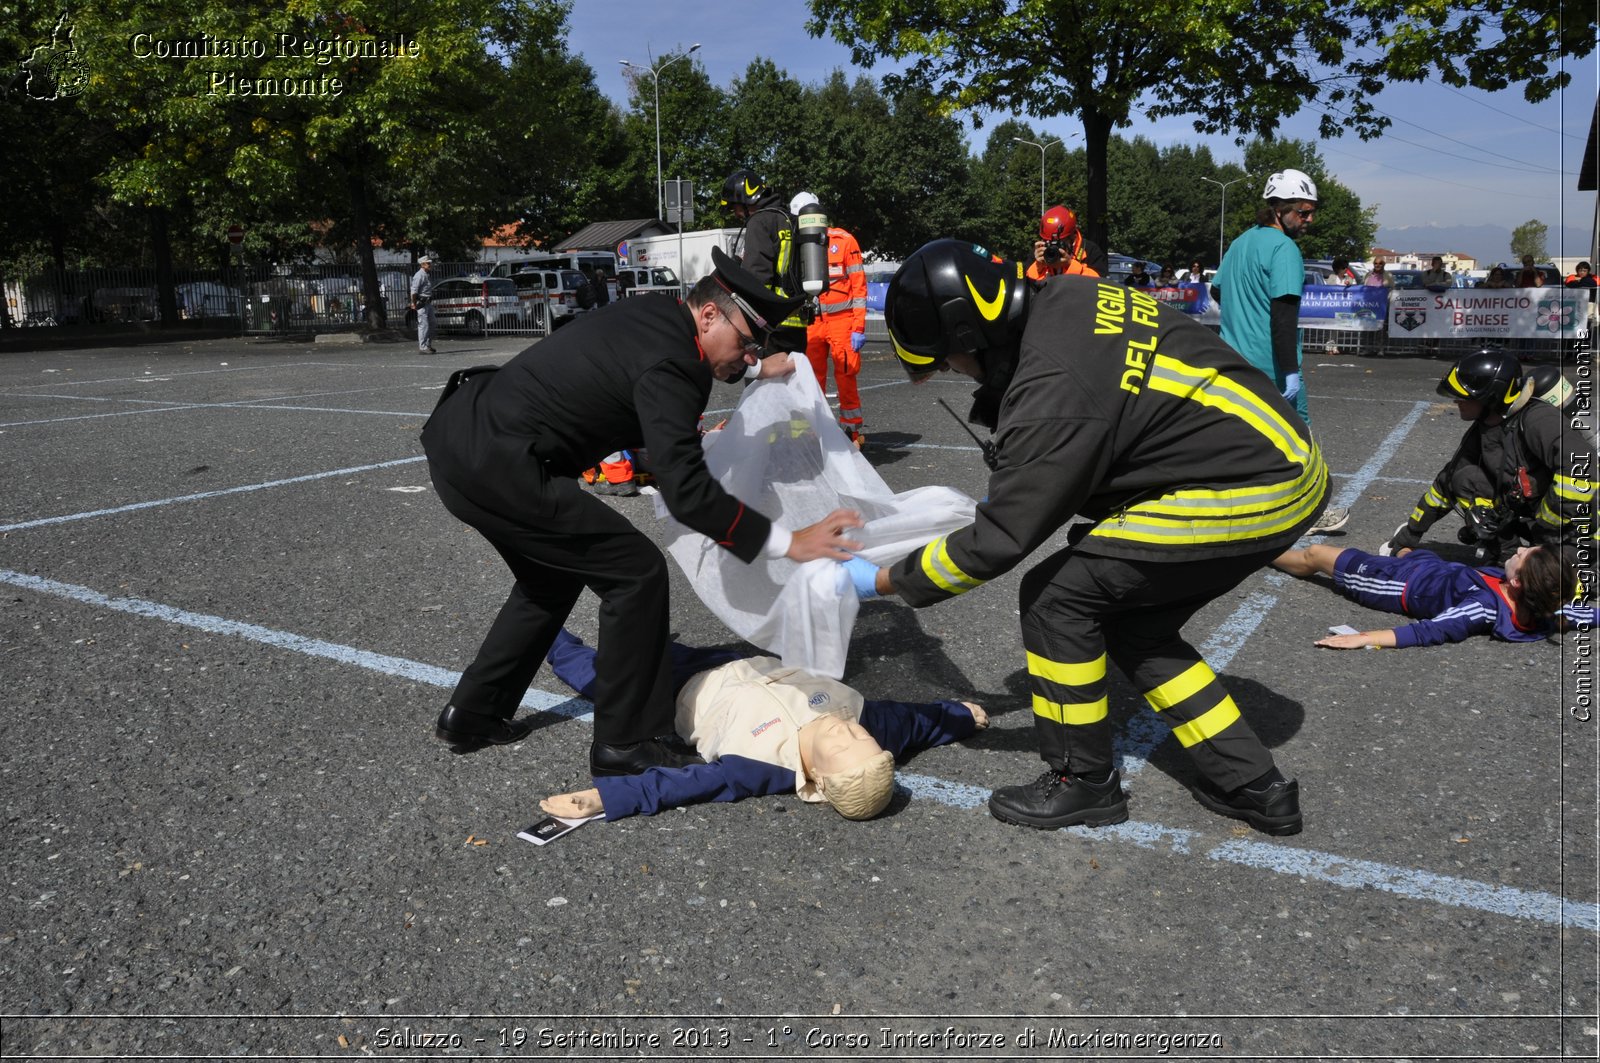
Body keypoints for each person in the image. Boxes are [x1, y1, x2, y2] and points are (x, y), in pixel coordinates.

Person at [846, 239, 1333, 837]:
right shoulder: (1065, 297)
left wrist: (877, 578)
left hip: (1253, 484)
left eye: (947, 358)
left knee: (1057, 601)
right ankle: (1257, 786)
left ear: (971, 334)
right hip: (1282, 461)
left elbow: (1001, 538)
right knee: (1135, 622)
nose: (950, 369)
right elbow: (1109, 415)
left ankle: (1083, 782)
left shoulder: (1053, 389)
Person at [419, 247, 865, 776]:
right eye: (746, 342)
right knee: (636, 573)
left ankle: (472, 714)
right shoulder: (678, 362)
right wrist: (790, 542)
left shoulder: (655, 317)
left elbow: (632, 395)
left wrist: (749, 377)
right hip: (504, 463)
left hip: (461, 440)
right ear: (707, 314)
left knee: (550, 581)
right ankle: (626, 741)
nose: (748, 356)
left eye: (755, 349)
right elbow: (686, 491)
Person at [537, 630, 987, 821]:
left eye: (846, 749)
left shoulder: (759, 766)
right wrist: (962, 715)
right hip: (737, 662)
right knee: (642, 624)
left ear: (818, 778)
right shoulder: (873, 723)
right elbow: (919, 723)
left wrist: (601, 799)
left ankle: (548, 633)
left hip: (674, 691)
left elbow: (685, 784)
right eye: (865, 740)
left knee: (595, 672)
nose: (850, 732)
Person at [1211, 168, 1348, 533]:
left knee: (1243, 441)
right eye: (1303, 212)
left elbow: (1216, 290)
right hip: (1272, 366)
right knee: (1299, 446)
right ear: (1279, 209)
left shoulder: (1241, 242)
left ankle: (1239, 509)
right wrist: (1289, 369)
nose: (1309, 219)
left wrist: (1241, 315)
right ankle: (1310, 513)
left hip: (1233, 364)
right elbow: (1284, 317)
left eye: (1310, 212)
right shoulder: (1284, 248)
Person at [1380, 350, 1595, 564]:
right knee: (1465, 479)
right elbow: (1447, 483)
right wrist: (1410, 535)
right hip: (1539, 522)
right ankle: (1506, 555)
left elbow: (1584, 470)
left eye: (1463, 397)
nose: (1456, 402)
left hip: (1580, 527)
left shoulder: (1538, 420)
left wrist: (1547, 525)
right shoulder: (1487, 427)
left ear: (1490, 398)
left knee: (1550, 581)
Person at [1272, 541, 1588, 648]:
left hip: (1397, 583)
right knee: (1411, 550)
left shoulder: (1483, 608)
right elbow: (1586, 613)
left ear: (1517, 582)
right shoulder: (1548, 609)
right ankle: (1402, 550)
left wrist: (1365, 638)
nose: (1518, 549)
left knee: (1315, 555)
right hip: (1438, 570)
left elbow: (1431, 631)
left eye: (1522, 554)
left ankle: (1254, 551)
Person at [793, 192, 869, 446]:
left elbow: (858, 287)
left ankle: (852, 432)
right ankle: (814, 433)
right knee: (811, 379)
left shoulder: (844, 241)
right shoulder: (796, 242)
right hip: (812, 321)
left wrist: (858, 326)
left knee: (846, 376)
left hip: (842, 321)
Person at [720, 168, 808, 358]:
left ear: (745, 201)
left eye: (734, 207)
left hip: (771, 324)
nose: (735, 213)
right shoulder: (789, 220)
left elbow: (757, 277)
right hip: (798, 323)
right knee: (792, 384)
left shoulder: (759, 221)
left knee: (763, 386)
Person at [1026, 205, 1106, 283]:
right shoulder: (1039, 253)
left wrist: (1070, 264)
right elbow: (1027, 287)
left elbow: (1100, 285)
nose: (1052, 246)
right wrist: (1038, 267)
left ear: (1072, 237)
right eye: (1048, 241)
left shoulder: (1091, 251)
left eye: (1058, 242)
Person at [410, 255, 436, 355]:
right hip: (421, 303)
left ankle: (428, 344)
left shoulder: (427, 274)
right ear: (422, 264)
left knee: (433, 323)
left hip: (428, 303)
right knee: (423, 325)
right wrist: (413, 303)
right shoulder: (419, 275)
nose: (430, 265)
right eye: (428, 263)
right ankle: (423, 347)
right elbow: (413, 291)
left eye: (430, 263)